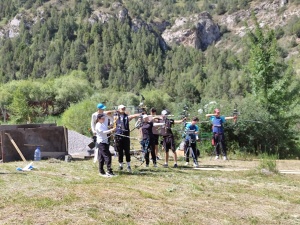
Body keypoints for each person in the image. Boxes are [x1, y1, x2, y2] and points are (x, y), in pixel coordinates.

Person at [114, 104, 140, 172]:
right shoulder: (116, 116)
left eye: (124, 108)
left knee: (127, 151)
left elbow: (132, 116)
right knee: (120, 151)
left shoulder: (126, 117)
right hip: (119, 136)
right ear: (119, 109)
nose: (123, 109)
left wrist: (139, 114)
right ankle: (121, 165)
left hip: (125, 136)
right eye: (122, 108)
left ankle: (128, 165)